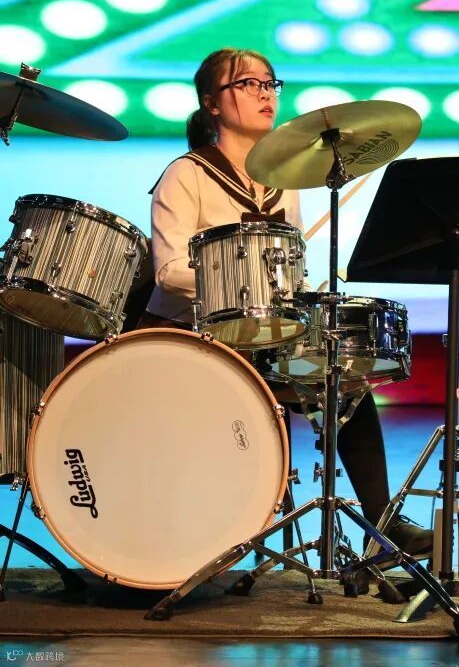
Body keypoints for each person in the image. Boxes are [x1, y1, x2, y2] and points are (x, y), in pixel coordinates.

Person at [142, 47, 433, 558]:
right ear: (212, 103)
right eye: (247, 84)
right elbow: (168, 273)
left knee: (344, 375)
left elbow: (289, 272)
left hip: (260, 339)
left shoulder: (282, 183)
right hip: (193, 339)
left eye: (270, 83)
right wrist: (250, 285)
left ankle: (382, 527)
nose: (265, 94)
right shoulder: (185, 174)